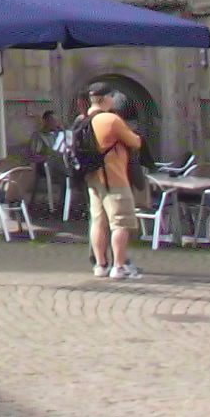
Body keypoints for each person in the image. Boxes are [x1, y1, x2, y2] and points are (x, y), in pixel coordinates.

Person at [84, 82, 144, 279]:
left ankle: (100, 265)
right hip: (114, 177)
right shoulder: (111, 119)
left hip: (93, 178)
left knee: (98, 222)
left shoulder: (82, 119)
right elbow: (134, 142)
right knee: (120, 223)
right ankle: (118, 266)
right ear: (106, 98)